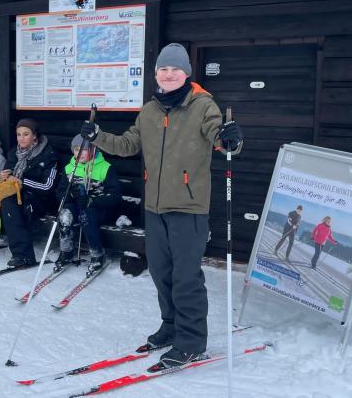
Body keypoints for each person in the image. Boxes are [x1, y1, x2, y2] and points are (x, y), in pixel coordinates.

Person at [81, 42, 243, 370]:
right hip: (155, 207)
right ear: (156, 74)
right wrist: (97, 136)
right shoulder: (150, 111)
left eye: (175, 69)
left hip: (188, 208)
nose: (169, 74)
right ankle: (170, 326)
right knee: (160, 271)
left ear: (186, 73)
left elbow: (221, 139)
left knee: (186, 277)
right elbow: (128, 144)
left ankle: (191, 341)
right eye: (163, 69)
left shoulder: (203, 106)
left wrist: (231, 139)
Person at [0, 119, 58, 268]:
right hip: (15, 192)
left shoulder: (47, 155)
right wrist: (0, 176)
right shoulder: (14, 153)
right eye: (19, 134)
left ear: (34, 136)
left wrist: (22, 182)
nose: (21, 138)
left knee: (8, 203)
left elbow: (48, 186)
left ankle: (23, 255)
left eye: (26, 134)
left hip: (38, 198)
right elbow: (7, 175)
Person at [54, 135, 122, 274]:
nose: (79, 153)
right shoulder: (70, 168)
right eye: (76, 149)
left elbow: (115, 195)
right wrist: (70, 195)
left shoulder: (105, 168)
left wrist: (93, 200)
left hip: (98, 208)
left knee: (86, 215)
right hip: (76, 205)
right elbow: (60, 193)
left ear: (93, 149)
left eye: (83, 149)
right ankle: (66, 251)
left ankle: (97, 253)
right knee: (65, 214)